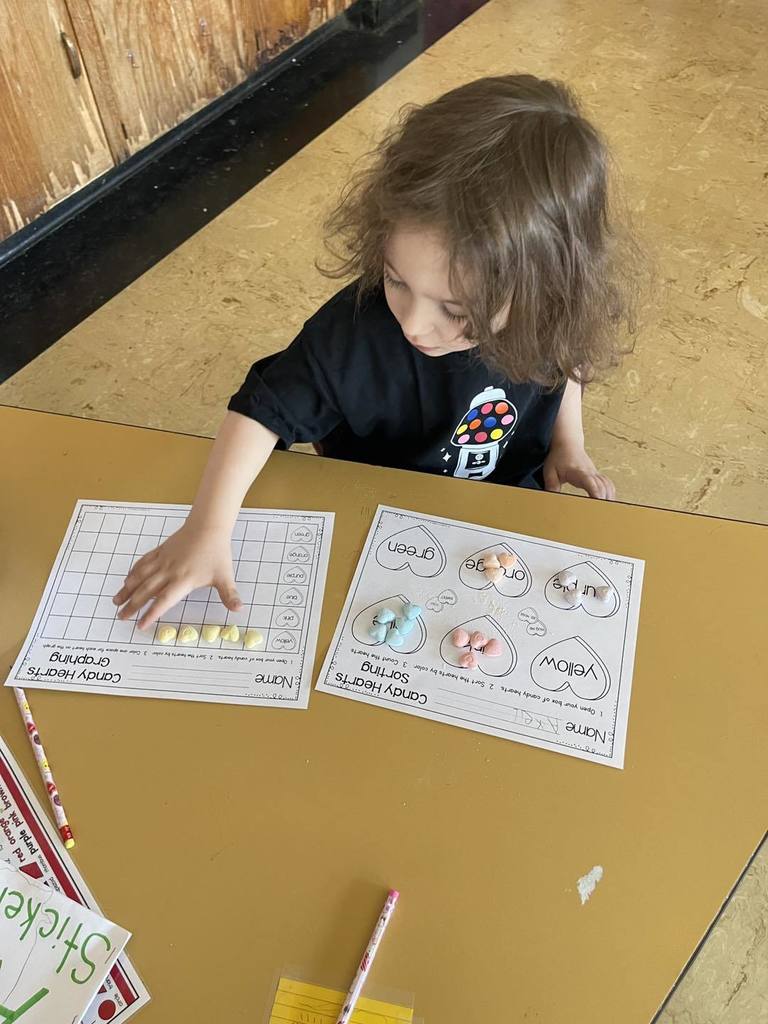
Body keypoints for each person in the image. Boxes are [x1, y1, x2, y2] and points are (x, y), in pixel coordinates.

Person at [114, 74, 638, 629]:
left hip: (495, 513)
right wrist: (207, 529)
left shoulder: (553, 310)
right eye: (396, 279)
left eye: (457, 312)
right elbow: (262, 410)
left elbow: (567, 358)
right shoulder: (360, 328)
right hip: (372, 512)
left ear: (549, 288)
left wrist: (569, 442)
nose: (413, 323)